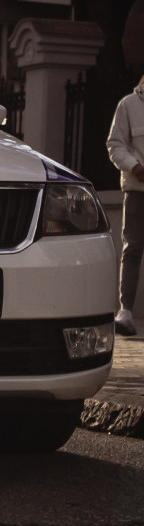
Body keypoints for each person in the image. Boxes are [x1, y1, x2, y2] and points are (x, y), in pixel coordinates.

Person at [107, 78, 144, 336]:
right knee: (132, 247)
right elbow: (115, 144)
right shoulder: (128, 105)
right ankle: (126, 312)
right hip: (137, 189)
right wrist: (134, 166)